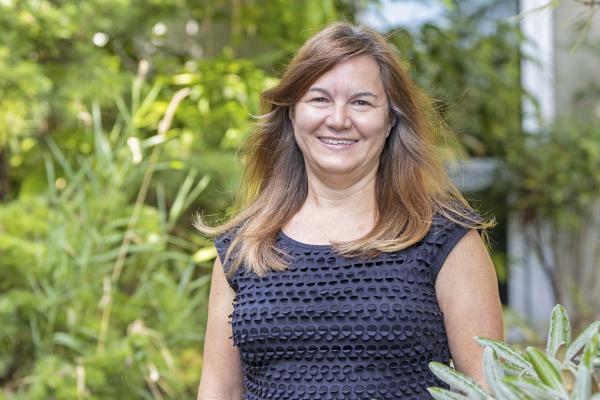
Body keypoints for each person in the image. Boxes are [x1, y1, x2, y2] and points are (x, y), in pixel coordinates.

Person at [195, 21, 503, 400]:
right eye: (320, 99)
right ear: (292, 113)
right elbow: (219, 391)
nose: (339, 119)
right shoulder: (245, 247)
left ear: (390, 119)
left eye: (361, 102)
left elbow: (490, 389)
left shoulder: (442, 238)